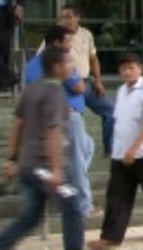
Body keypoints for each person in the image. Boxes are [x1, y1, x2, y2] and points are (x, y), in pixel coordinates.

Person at [0, 47, 84, 250]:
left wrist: (12, 159)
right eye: (68, 63)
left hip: (28, 165)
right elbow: (53, 131)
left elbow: (17, 125)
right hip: (44, 168)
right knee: (73, 207)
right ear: (57, 67)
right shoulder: (55, 93)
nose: (72, 67)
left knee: (31, 216)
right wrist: (56, 169)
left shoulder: (31, 89)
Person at [90, 53, 143, 249]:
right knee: (116, 196)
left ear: (140, 69)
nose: (126, 72)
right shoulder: (121, 91)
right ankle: (111, 236)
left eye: (131, 67)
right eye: (123, 68)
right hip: (120, 153)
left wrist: (135, 147)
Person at [28, 26, 95, 218]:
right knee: (76, 161)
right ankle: (82, 205)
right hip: (67, 117)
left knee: (88, 147)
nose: (71, 44)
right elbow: (79, 87)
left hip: (56, 117)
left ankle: (66, 190)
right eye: (68, 41)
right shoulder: (58, 62)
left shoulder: (34, 63)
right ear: (57, 43)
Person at [39, 5, 115, 157]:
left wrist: (98, 80)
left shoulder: (86, 34)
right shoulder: (57, 36)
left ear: (77, 17)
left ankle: (110, 148)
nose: (64, 20)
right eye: (62, 17)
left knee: (110, 111)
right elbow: (42, 58)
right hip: (66, 86)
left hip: (85, 82)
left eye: (68, 16)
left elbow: (93, 59)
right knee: (74, 119)